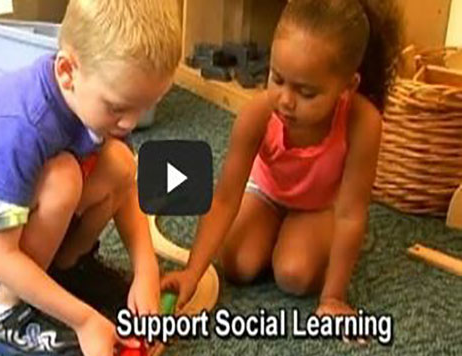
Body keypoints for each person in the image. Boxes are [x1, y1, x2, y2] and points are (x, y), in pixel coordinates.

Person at [0, 0, 181, 356]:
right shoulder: (18, 125)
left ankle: (66, 271)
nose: (130, 121)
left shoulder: (91, 96)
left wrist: (146, 271)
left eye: (145, 107)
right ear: (67, 71)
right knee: (63, 179)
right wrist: (84, 320)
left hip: (13, 221)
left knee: (120, 160)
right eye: (119, 108)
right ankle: (6, 315)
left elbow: (124, 186)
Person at [162, 0, 402, 320]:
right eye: (277, 79)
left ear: (348, 87)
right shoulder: (256, 116)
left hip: (320, 206)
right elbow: (224, 199)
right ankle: (278, 229)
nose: (286, 101)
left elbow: (351, 214)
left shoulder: (364, 123)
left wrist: (333, 297)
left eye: (306, 93)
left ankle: (301, 237)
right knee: (239, 264)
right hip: (267, 192)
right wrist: (193, 272)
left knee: (294, 273)